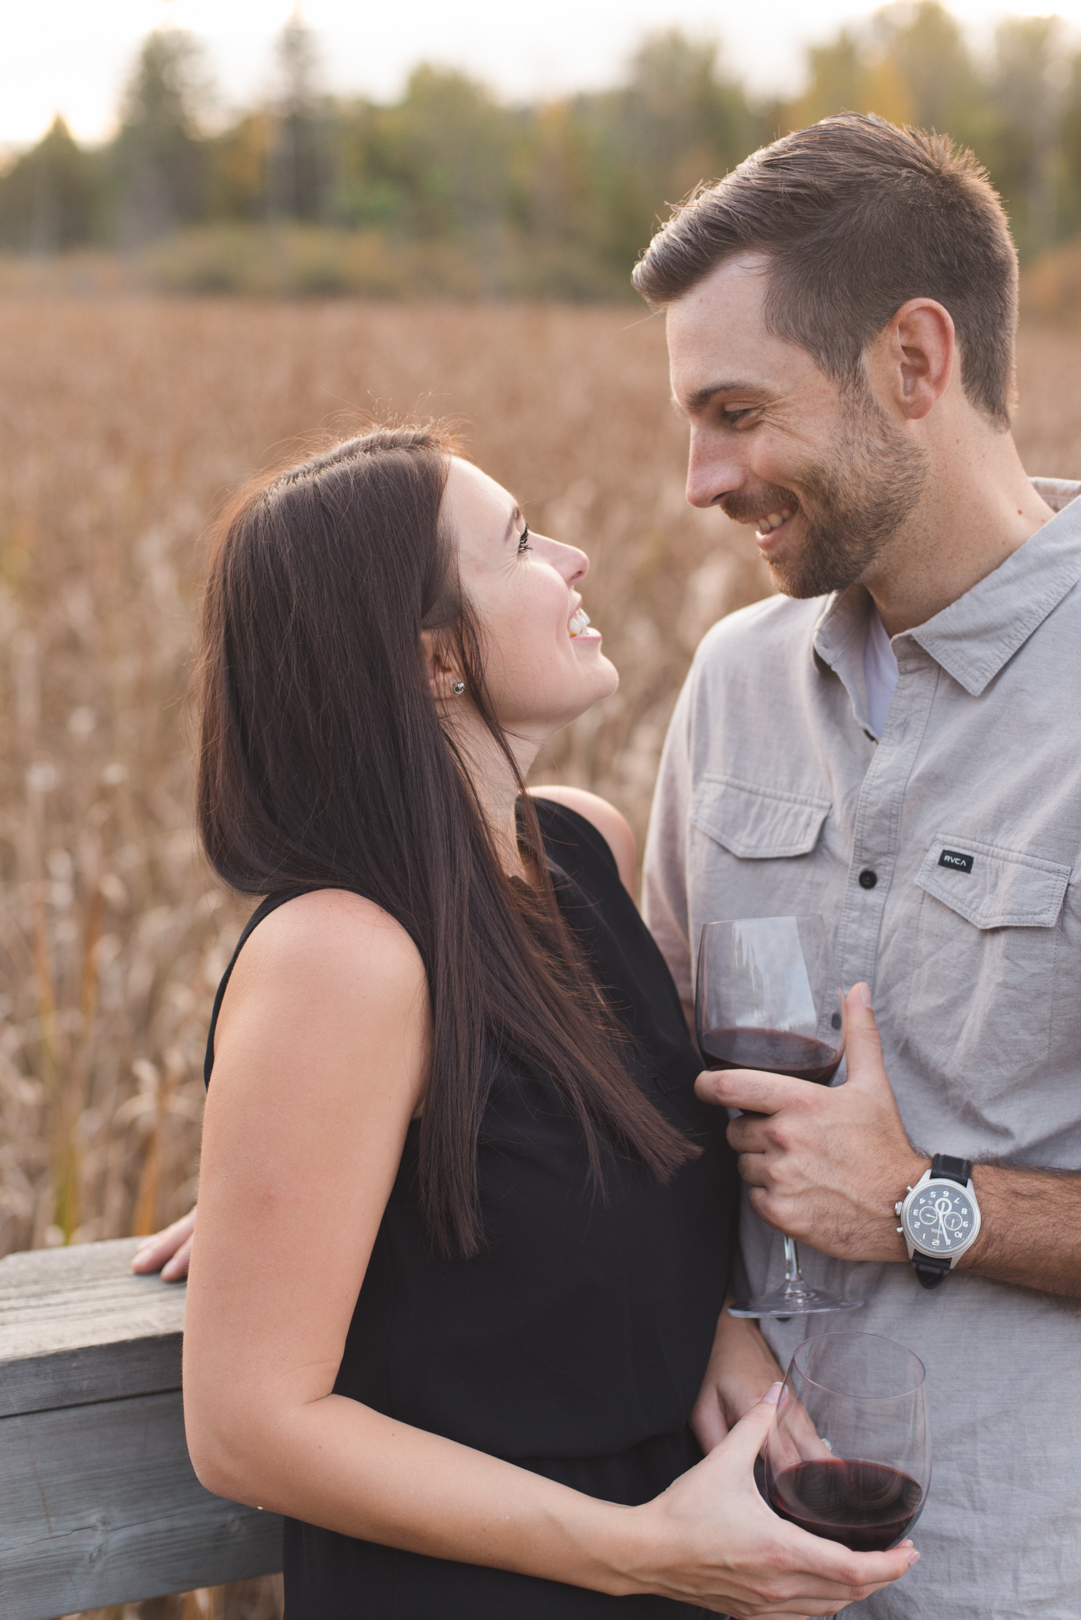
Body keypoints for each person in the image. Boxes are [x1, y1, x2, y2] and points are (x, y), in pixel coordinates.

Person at [165, 426, 916, 1618]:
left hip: (675, 1564)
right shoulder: (340, 958)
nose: (569, 559)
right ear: (430, 662)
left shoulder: (578, 846)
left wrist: (711, 1325)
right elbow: (248, 1433)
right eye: (517, 544)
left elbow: (594, 1173)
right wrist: (639, 1552)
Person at [635, 113, 1081, 1619]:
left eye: (738, 411)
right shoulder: (733, 681)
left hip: (1019, 1573)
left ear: (914, 361)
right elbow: (639, 1090)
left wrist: (923, 1201)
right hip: (721, 1558)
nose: (702, 477)